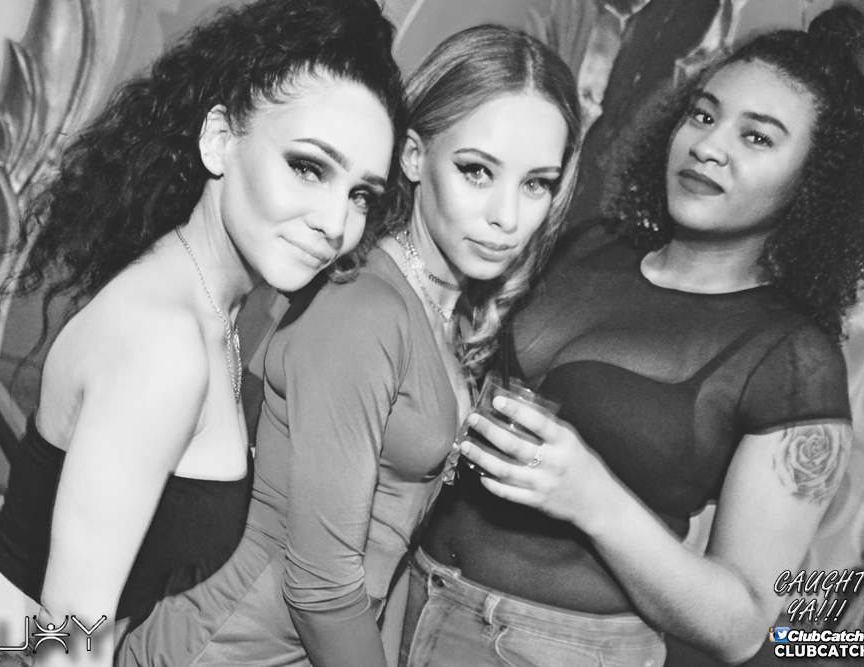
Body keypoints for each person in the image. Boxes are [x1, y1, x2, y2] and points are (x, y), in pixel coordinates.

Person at [404, 5, 864, 666]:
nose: (708, 145)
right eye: (702, 115)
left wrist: (593, 498)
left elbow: (741, 625)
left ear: (814, 181)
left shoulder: (793, 360)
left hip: (552, 647)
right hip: (404, 592)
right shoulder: (589, 244)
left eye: (756, 137)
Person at [0, 1, 403, 666]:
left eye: (361, 194)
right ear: (219, 140)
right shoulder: (164, 345)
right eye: (309, 167)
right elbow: (70, 641)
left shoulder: (204, 306)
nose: (336, 222)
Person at [117, 24, 582, 667]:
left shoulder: (438, 313)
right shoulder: (365, 310)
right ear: (413, 156)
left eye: (537, 183)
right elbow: (321, 590)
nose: (507, 216)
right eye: (477, 171)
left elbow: (388, 561)